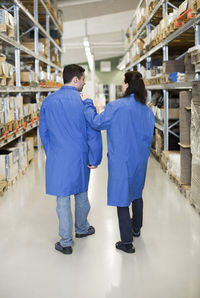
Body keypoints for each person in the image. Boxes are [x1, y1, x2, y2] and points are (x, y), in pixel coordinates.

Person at [81, 71, 155, 254]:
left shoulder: (116, 107)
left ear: (128, 85)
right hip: (140, 160)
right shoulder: (147, 111)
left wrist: (88, 103)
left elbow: (96, 122)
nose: (122, 86)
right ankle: (136, 228)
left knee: (122, 198)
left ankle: (126, 242)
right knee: (137, 193)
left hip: (122, 161)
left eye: (123, 83)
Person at [39, 64, 102, 255]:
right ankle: (82, 229)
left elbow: (44, 132)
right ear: (75, 79)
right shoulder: (83, 102)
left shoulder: (48, 102)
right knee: (81, 193)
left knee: (63, 198)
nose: (84, 83)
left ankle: (66, 243)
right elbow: (93, 132)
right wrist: (94, 158)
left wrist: (53, 153)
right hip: (80, 157)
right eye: (83, 79)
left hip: (59, 157)